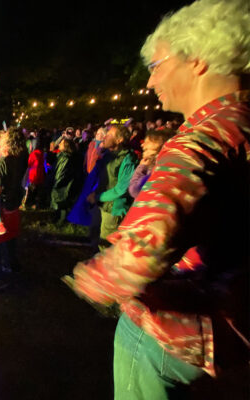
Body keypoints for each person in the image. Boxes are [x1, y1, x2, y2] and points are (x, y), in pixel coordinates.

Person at [64, 0, 250, 397]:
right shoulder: (242, 124)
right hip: (233, 326)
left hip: (174, 332)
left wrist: (94, 278)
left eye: (155, 66)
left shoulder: (199, 141)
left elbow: (145, 249)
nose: (149, 82)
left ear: (197, 59)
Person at [0, 128, 27, 294]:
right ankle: (13, 265)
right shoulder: (22, 156)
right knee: (11, 237)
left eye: (4, 136)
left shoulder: (3, 161)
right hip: (14, 206)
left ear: (8, 142)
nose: (0, 138)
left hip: (1, 208)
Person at [86, 124, 137, 248]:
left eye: (109, 135)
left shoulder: (128, 159)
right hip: (102, 203)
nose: (104, 137)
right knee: (95, 236)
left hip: (114, 209)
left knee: (106, 245)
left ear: (119, 140)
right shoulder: (109, 155)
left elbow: (121, 189)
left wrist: (98, 197)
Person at [128, 129, 174, 198]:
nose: (142, 145)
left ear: (160, 143)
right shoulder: (154, 164)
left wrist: (141, 167)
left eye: (147, 142)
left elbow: (134, 189)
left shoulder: (158, 169)